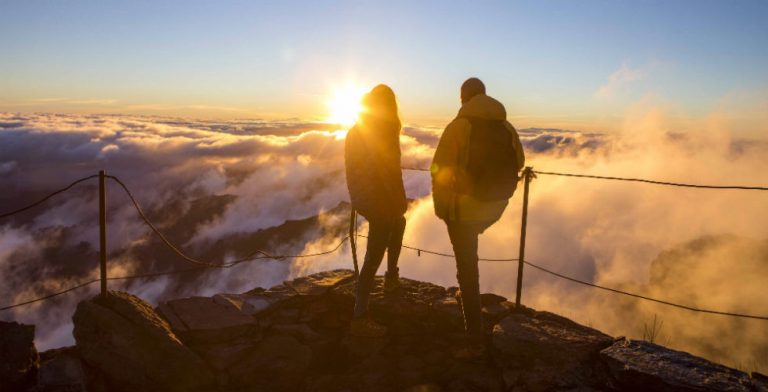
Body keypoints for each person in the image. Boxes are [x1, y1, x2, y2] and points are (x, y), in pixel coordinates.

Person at [431, 78, 525, 351]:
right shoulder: (506, 127)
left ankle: (473, 334)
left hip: (464, 210)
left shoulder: (458, 127)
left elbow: (438, 169)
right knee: (471, 245)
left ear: (464, 98)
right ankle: (469, 298)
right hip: (495, 207)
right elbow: (519, 162)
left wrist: (441, 207)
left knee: (467, 266)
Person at [345, 84, 407, 337]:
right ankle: (359, 315)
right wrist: (397, 199)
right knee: (375, 250)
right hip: (378, 195)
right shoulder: (382, 129)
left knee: (399, 223)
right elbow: (388, 169)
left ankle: (391, 278)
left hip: (363, 195)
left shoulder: (359, 127)